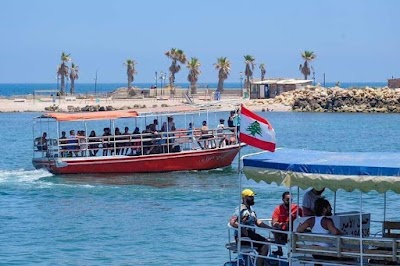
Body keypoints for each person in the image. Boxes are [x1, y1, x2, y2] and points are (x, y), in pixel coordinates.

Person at [297, 198, 349, 264]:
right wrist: (341, 232)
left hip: (314, 252)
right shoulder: (327, 221)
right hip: (326, 252)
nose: (331, 209)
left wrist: (307, 231)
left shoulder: (311, 220)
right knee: (348, 258)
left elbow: (299, 229)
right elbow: (335, 232)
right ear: (324, 209)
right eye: (329, 207)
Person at [230, 189, 271, 266]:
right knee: (265, 244)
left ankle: (261, 262)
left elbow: (257, 222)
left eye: (253, 197)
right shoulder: (240, 209)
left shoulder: (251, 209)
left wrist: (270, 228)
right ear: (245, 198)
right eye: (250, 197)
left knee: (266, 242)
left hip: (250, 234)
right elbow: (232, 222)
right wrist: (241, 227)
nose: (253, 199)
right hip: (243, 236)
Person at [271, 191, 302, 256]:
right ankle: (280, 250)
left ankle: (295, 250)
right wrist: (281, 224)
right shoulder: (278, 209)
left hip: (294, 232)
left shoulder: (296, 208)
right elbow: (274, 222)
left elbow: (304, 217)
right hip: (283, 232)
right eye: (288, 200)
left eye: (291, 200)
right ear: (283, 199)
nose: (289, 201)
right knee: (275, 230)